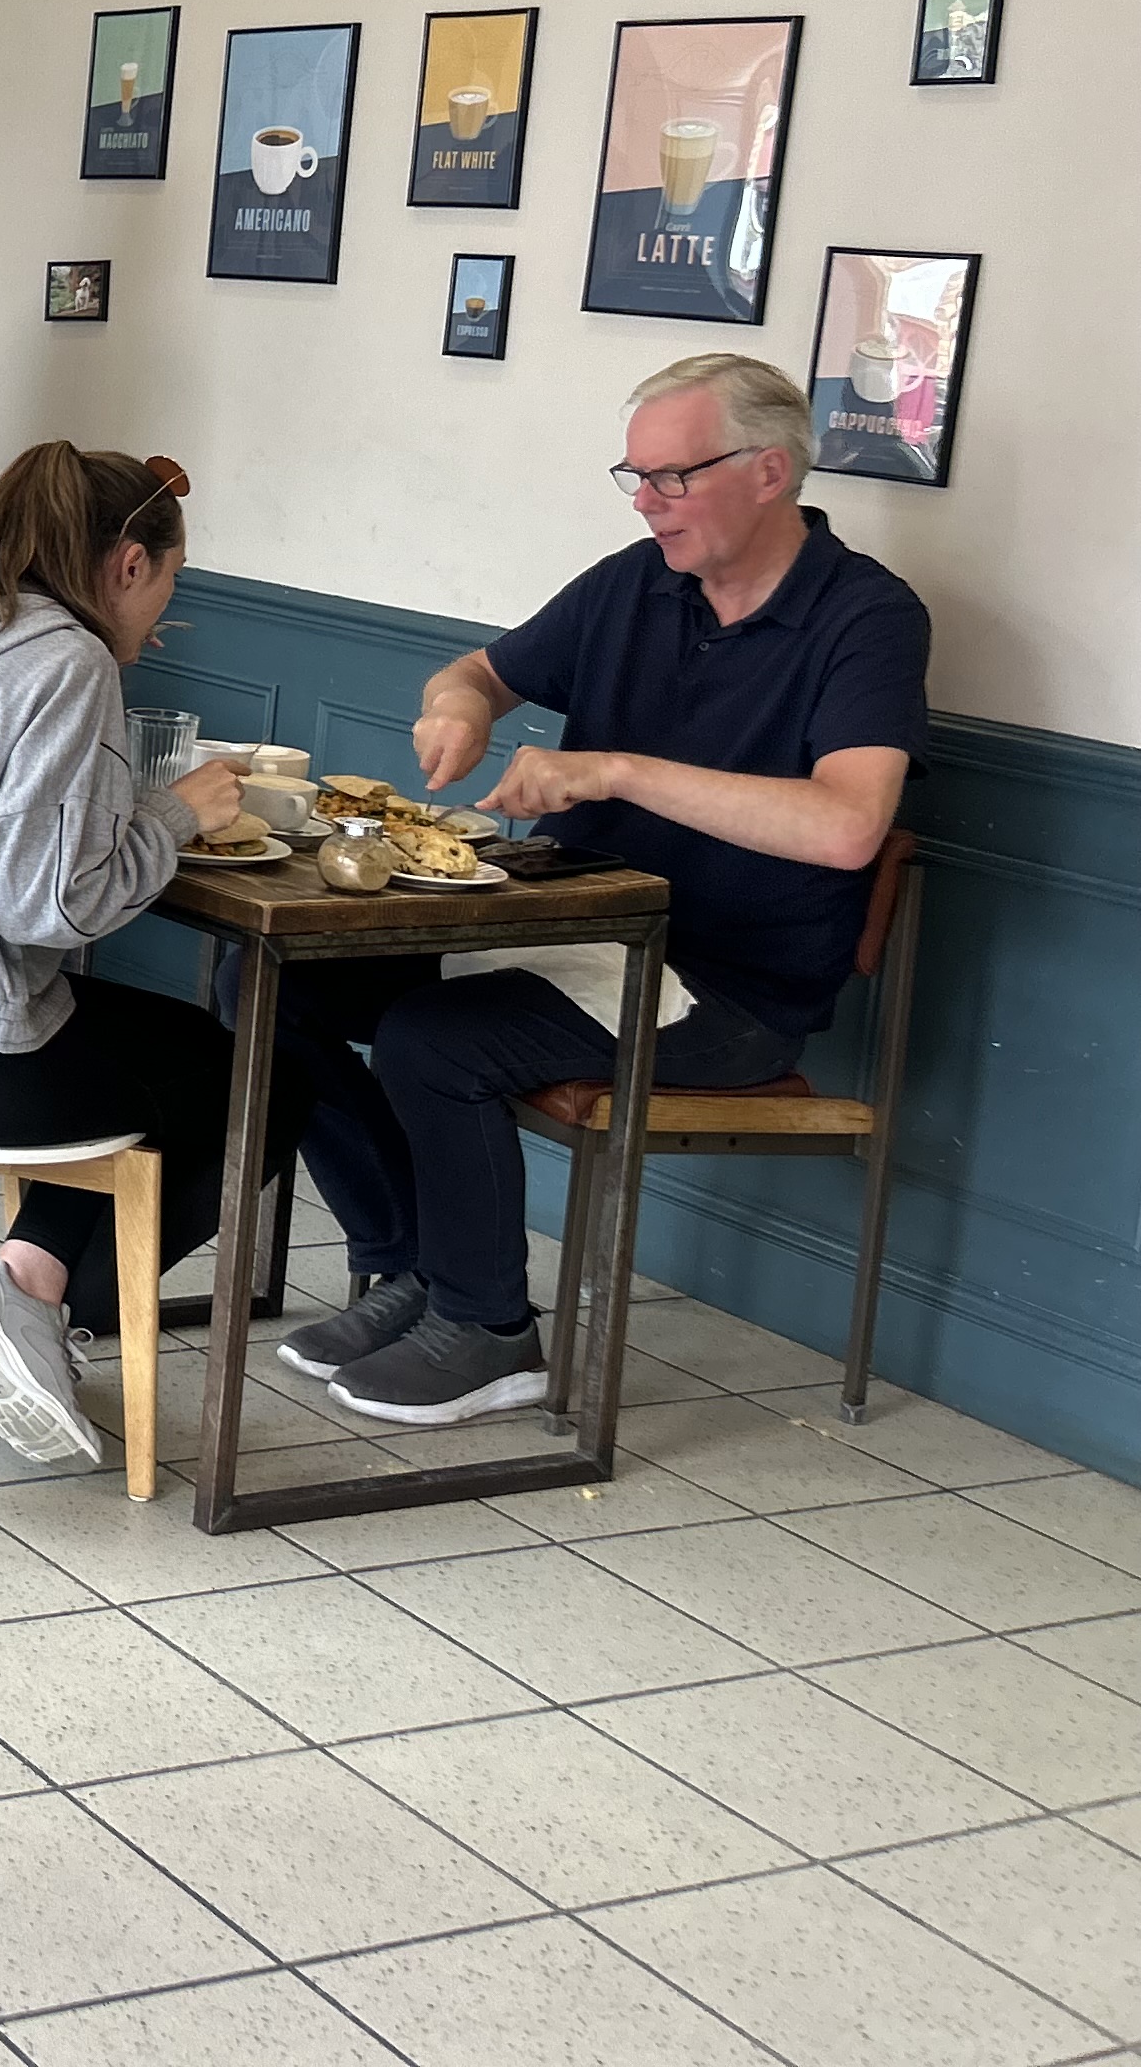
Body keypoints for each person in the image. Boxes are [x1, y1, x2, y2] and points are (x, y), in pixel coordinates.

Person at [269, 353, 930, 1429]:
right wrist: (457, 707)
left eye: (673, 477)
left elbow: (848, 825)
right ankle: (415, 1268)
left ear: (770, 472)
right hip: (562, 929)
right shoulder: (638, 581)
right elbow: (479, 672)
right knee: (274, 986)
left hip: (724, 989)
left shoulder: (868, 617)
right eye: (636, 476)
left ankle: (490, 1332)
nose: (647, 502)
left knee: (434, 1039)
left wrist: (616, 771)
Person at [0, 441, 309, 1469]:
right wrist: (174, 814)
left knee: (176, 1058)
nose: (163, 613)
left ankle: (22, 1292)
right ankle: (29, 1300)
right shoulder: (66, 662)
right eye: (170, 584)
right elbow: (47, 906)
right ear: (129, 564)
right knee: (258, 1082)